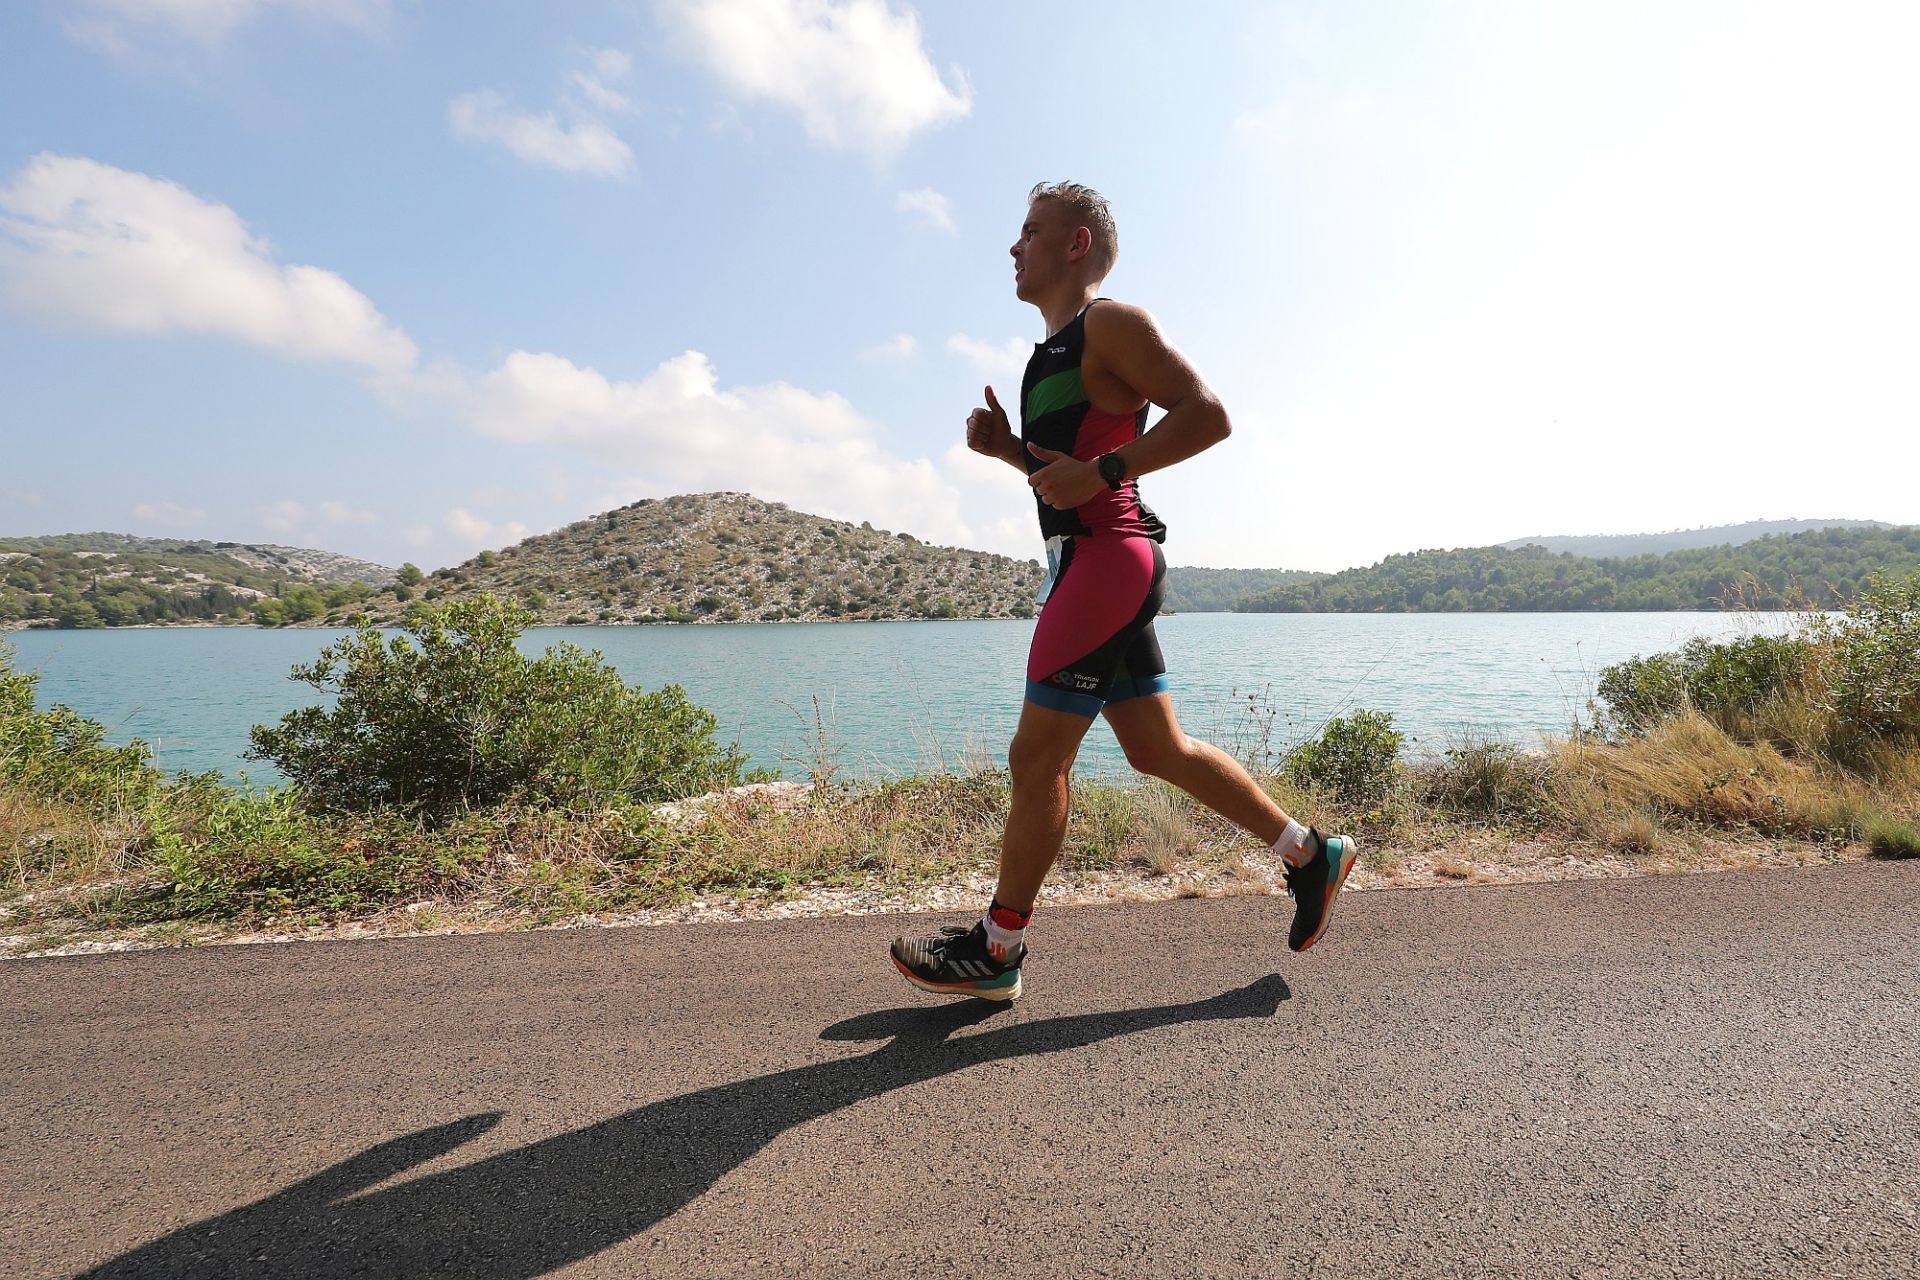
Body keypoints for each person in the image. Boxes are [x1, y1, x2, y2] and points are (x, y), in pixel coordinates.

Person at [890, 182, 1358, 1001]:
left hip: (1108, 562)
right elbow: (1065, 478)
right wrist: (1010, 451)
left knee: (1036, 757)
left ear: (1075, 244)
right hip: (1094, 558)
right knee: (1156, 750)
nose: (1012, 247)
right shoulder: (1052, 353)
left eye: (1027, 232)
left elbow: (1206, 415)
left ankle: (997, 953)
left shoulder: (1111, 324)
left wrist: (1106, 470)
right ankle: (1309, 853)